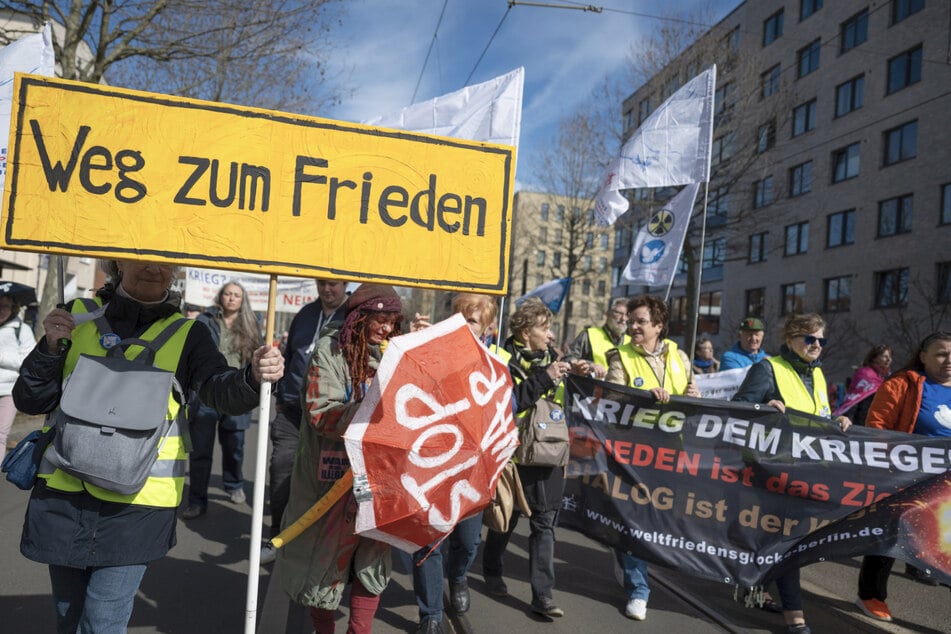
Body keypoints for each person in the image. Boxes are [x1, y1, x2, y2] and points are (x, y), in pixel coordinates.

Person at [12, 259, 283, 633]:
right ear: (118, 263)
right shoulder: (74, 316)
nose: (153, 267)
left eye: (164, 261)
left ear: (175, 271)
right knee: (67, 619)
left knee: (102, 622)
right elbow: (30, 400)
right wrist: (49, 349)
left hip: (137, 509)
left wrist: (253, 378)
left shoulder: (190, 334)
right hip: (63, 495)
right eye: (141, 257)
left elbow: (221, 392)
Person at [277, 284, 403, 634]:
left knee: (372, 561)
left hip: (378, 480)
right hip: (329, 478)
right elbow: (321, 414)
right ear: (360, 318)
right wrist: (373, 407)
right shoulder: (329, 352)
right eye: (380, 320)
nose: (387, 329)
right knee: (322, 564)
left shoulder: (397, 354)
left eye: (393, 321)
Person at [732, 312, 851, 634]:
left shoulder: (818, 374)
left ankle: (753, 580)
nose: (816, 345)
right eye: (809, 339)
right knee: (788, 544)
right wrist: (764, 409)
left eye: (821, 340)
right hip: (771, 471)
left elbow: (816, 416)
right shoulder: (768, 369)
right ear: (790, 340)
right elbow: (737, 409)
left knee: (782, 541)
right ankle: (795, 617)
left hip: (807, 472)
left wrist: (836, 422)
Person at [604, 294, 699, 621]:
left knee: (654, 522)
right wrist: (643, 398)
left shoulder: (680, 356)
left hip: (670, 454)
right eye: (631, 321)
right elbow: (611, 400)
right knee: (635, 521)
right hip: (632, 454)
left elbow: (690, 397)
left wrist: (693, 396)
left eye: (640, 322)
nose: (632, 327)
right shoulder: (621, 357)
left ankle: (623, 551)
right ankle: (639, 589)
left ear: (659, 326)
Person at [409, 293, 500, 633]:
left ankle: (458, 576)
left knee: (468, 540)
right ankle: (430, 615)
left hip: (473, 470)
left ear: (487, 328)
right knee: (428, 541)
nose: (462, 323)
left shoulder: (495, 363)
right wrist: (417, 344)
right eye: (458, 316)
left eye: (472, 320)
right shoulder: (429, 352)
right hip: (431, 466)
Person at [482, 298, 573, 619]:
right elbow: (507, 405)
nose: (550, 335)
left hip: (549, 455)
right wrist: (545, 378)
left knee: (544, 524)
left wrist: (587, 375)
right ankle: (491, 569)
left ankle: (543, 595)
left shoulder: (558, 360)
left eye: (550, 328)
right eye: (544, 328)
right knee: (507, 518)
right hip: (513, 455)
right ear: (524, 332)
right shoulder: (500, 359)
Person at [855, 332, 951, 622]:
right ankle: (871, 596)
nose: (948, 361)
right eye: (941, 353)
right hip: (908, 477)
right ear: (922, 355)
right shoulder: (903, 383)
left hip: (947, 486)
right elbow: (877, 426)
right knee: (889, 538)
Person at [261, 279, 348, 564]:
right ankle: (278, 538)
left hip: (330, 413)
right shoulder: (306, 314)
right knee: (281, 468)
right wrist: (280, 392)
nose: (327, 289)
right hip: (292, 410)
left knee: (323, 480)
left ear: (344, 285)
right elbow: (289, 356)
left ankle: (318, 542)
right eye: (322, 283)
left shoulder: (352, 316)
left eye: (333, 284)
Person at [182, 281, 263, 518]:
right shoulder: (205, 320)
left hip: (237, 393)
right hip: (206, 393)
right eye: (227, 294)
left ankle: (234, 485)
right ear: (221, 296)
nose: (231, 298)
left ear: (242, 299)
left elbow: (254, 360)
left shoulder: (250, 324)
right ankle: (196, 501)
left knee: (234, 447)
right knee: (201, 450)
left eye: (236, 295)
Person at [0, 292, 36, 461]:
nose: (1, 310)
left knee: (0, 433)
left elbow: (28, 361)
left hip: (9, 389)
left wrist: (2, 358)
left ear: (13, 308)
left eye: (5, 306)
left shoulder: (22, 330)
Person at [563, 297, 630, 378]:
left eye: (627, 315)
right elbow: (567, 360)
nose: (623, 319)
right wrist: (590, 365)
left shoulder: (630, 342)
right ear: (608, 314)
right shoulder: (589, 335)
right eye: (619, 313)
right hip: (589, 388)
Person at [833, 344, 892, 426]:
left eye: (890, 356)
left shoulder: (887, 378)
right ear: (874, 358)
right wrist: (848, 421)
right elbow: (854, 400)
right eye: (884, 356)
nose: (889, 359)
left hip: (877, 423)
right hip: (860, 423)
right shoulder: (865, 374)